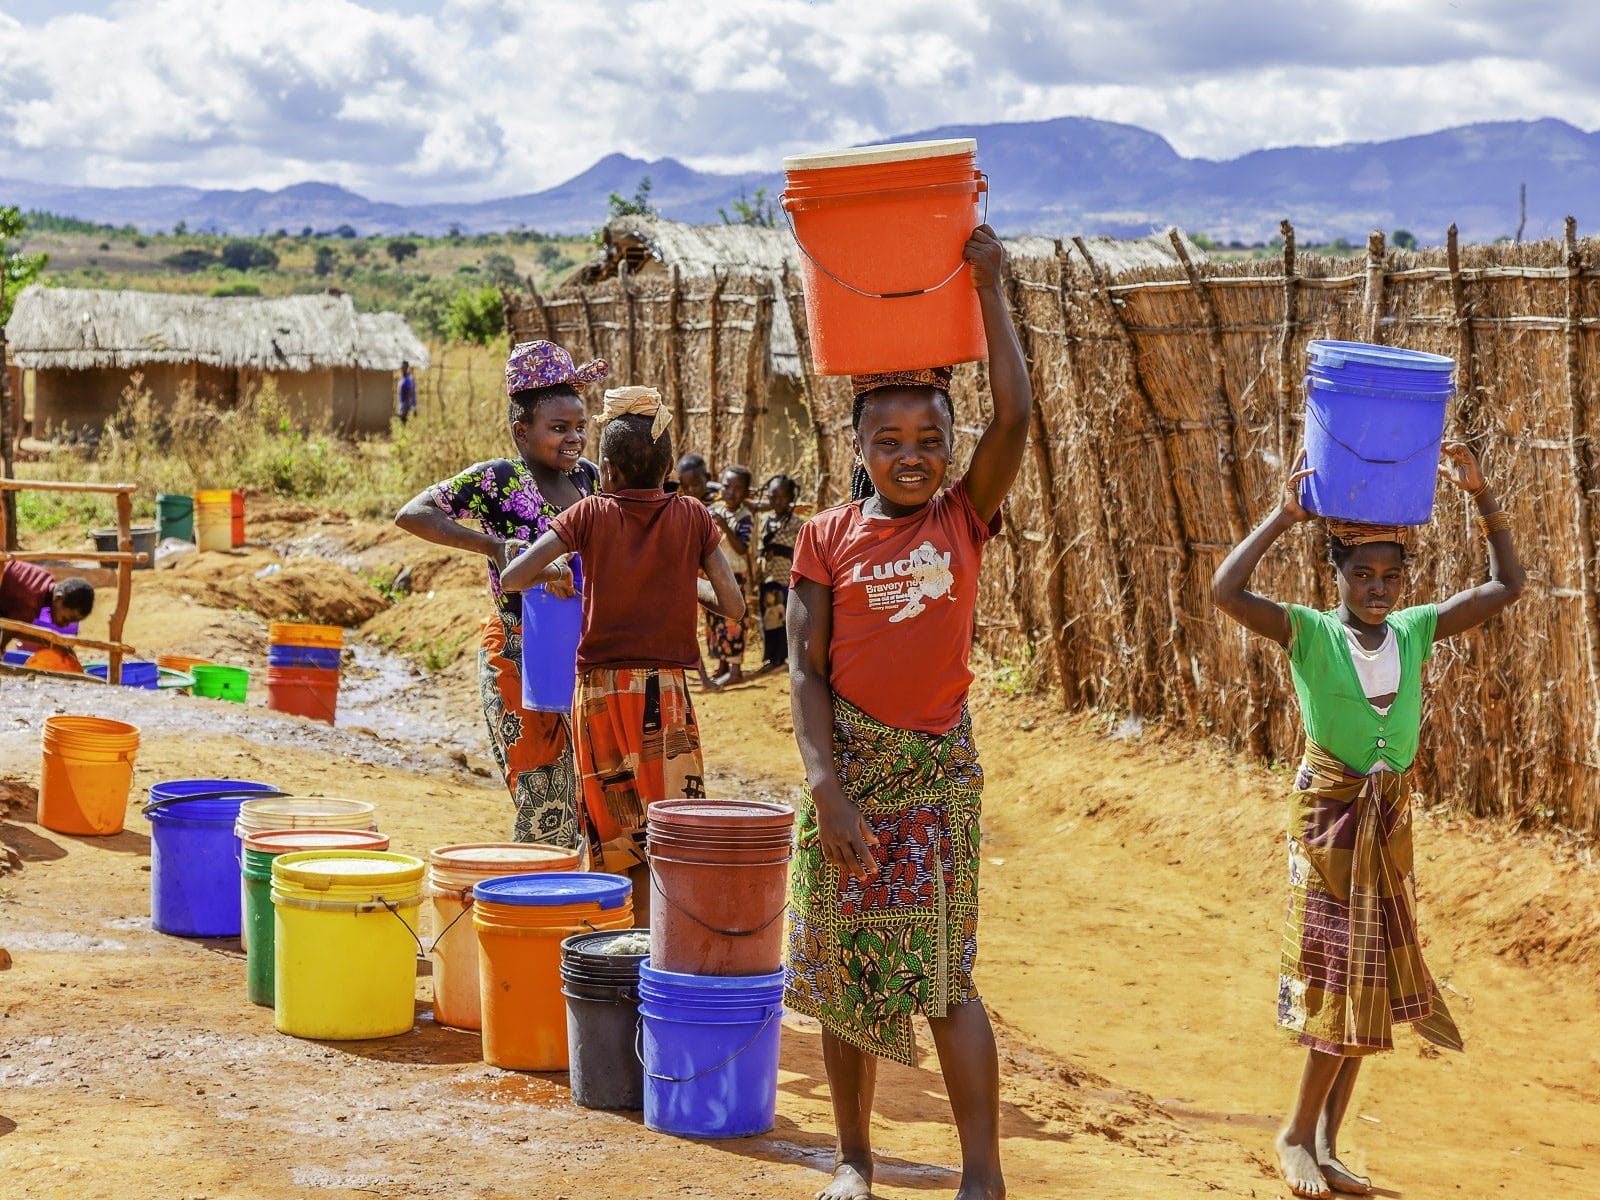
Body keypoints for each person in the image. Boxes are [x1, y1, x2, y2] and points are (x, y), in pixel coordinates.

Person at [785, 224, 1030, 1200]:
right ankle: (853, 1158)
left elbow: (1014, 414)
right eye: (887, 442)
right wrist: (824, 788)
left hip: (933, 781)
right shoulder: (824, 537)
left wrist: (990, 289)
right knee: (847, 976)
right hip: (848, 786)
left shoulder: (962, 518)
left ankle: (982, 1175)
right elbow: (805, 672)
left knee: (943, 978)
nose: (912, 456)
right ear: (855, 449)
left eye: (930, 440)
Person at [1211, 444, 1525, 1199]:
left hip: (1390, 816)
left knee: (1373, 976)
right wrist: (1287, 513)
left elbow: (1507, 584)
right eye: (1362, 574)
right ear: (1337, 575)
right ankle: (1293, 1133)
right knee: (1341, 974)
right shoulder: (1311, 634)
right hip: (1330, 816)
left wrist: (1482, 498)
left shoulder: (1416, 630)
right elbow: (1225, 590)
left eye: (1391, 576)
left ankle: (1324, 1141)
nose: (1378, 589)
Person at [501, 386, 744, 918]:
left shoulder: (588, 514)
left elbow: (514, 575)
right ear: (666, 469)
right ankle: (672, 936)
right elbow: (733, 604)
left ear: (605, 470)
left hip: (602, 695)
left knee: (614, 826)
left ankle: (624, 939)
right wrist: (686, 587)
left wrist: (558, 571)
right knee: (673, 822)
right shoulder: (694, 516)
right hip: (667, 693)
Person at [394, 340, 605, 846]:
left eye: (580, 426)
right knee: (541, 793)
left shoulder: (590, 479)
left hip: (583, 650)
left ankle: (570, 909)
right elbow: (414, 512)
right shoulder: (498, 479)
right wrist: (492, 546)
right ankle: (535, 914)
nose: (574, 439)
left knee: (588, 795)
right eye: (559, 429)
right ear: (521, 430)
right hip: (517, 650)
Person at [705, 465, 754, 687]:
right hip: (714, 575)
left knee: (733, 622)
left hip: (735, 576)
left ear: (745, 493)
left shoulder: (745, 516)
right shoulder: (714, 510)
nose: (730, 492)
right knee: (715, 621)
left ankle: (735, 669)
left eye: (737, 489)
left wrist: (724, 525)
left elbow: (742, 548)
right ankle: (722, 664)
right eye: (726, 486)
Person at [755, 473, 804, 675]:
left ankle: (784, 658)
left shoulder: (796, 523)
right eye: (771, 497)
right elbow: (760, 548)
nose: (775, 502)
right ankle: (772, 657)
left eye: (780, 497)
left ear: (790, 498)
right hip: (769, 578)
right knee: (769, 619)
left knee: (784, 619)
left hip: (787, 580)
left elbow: (799, 551)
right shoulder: (767, 521)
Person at [0, 562, 94, 654]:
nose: (64, 625)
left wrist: (54, 644)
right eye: (65, 619)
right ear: (58, 598)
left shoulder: (44, 578)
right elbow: (14, 630)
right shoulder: (32, 599)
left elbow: (18, 630)